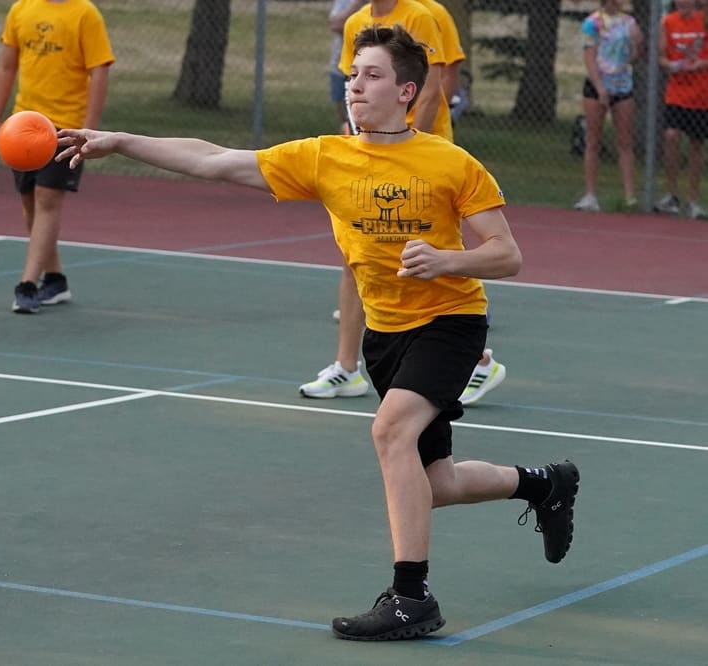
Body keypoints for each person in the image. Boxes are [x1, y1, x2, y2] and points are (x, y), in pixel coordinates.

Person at [57, 24, 580, 641]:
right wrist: (120, 141)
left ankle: (412, 599)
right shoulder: (325, 158)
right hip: (385, 334)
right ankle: (545, 484)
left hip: (450, 322)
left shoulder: (450, 162)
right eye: (353, 74)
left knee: (389, 432)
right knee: (435, 483)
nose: (354, 85)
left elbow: (507, 254)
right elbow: (213, 159)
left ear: (406, 91)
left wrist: (448, 260)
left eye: (372, 75)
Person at [300, 0, 507, 406]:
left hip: (419, 160)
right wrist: (362, 135)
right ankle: (347, 366)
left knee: (421, 264)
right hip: (375, 154)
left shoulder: (423, 16)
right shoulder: (357, 22)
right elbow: (354, 87)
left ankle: (476, 359)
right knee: (356, 256)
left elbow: (432, 91)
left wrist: (406, 153)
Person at [0, 0, 115, 313]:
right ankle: (55, 279)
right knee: (30, 201)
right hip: (22, 126)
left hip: (64, 128)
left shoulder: (85, 14)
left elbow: (99, 73)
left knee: (46, 199)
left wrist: (88, 130)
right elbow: (6, 66)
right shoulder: (21, 9)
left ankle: (27, 284)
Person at [573, 0, 643, 213]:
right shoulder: (592, 23)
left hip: (622, 85)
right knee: (593, 141)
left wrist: (637, 44)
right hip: (598, 86)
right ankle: (590, 194)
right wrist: (600, 87)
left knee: (625, 142)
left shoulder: (629, 22)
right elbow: (589, 57)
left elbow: (633, 55)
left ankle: (629, 196)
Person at [654, 0, 708, 220]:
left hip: (702, 93)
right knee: (671, 135)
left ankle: (692, 199)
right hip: (676, 92)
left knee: (697, 143)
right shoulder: (668, 22)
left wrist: (701, 64)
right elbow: (661, 57)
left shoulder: (704, 18)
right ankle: (671, 195)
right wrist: (673, 65)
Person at [328, 0, 368, 134]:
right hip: (343, 66)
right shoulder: (354, 13)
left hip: (372, 71)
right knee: (348, 122)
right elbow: (336, 24)